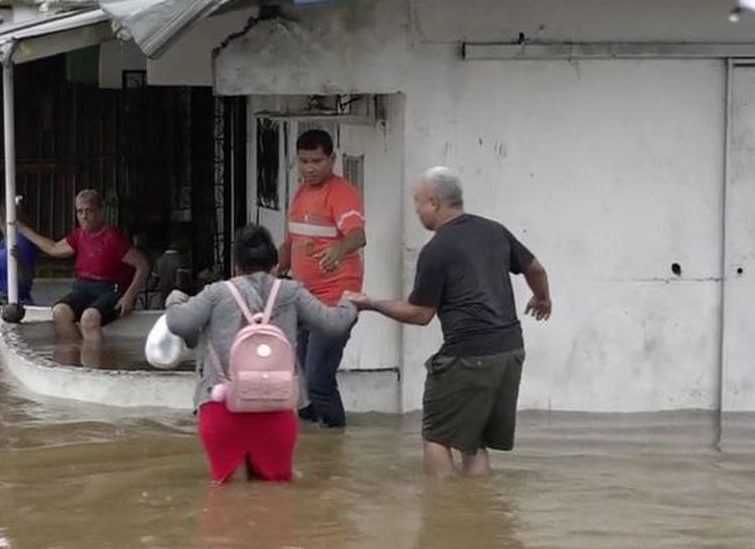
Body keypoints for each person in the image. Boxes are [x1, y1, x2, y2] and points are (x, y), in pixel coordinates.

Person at [345, 167, 552, 478]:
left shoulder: (437, 249)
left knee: (437, 438)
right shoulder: (494, 230)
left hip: (467, 357)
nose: (416, 209)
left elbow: (420, 314)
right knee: (474, 442)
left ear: (434, 202)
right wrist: (542, 299)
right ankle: (477, 515)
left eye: (418, 202)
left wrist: (369, 303)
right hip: (510, 353)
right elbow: (535, 269)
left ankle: (444, 518)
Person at [165, 225, 357, 483]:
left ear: (236, 267)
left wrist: (175, 299)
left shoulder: (216, 294)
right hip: (275, 411)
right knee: (275, 505)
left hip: (222, 407)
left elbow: (178, 323)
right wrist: (350, 302)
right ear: (275, 266)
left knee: (224, 505)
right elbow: (335, 324)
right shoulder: (292, 293)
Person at [278, 129, 367, 429]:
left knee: (317, 379)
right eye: (303, 161)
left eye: (316, 161)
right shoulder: (301, 193)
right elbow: (290, 244)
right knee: (300, 383)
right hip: (304, 299)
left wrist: (339, 252)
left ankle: (335, 441)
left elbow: (357, 235)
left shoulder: (342, 193)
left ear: (332, 158)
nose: (309, 168)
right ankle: (315, 450)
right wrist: (268, 272)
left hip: (335, 302)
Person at [16, 189, 150, 342]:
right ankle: (77, 356)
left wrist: (129, 296)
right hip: (84, 288)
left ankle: (96, 364)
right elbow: (54, 248)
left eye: (89, 211)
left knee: (89, 318)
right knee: (60, 312)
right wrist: (24, 230)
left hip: (111, 289)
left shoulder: (112, 237)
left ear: (101, 211)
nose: (84, 216)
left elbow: (142, 265)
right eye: (80, 212)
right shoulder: (79, 235)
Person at [0, 200, 40, 305]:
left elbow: (26, 279)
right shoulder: (5, 241)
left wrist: (19, 262)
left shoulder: (21, 241)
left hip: (13, 302)